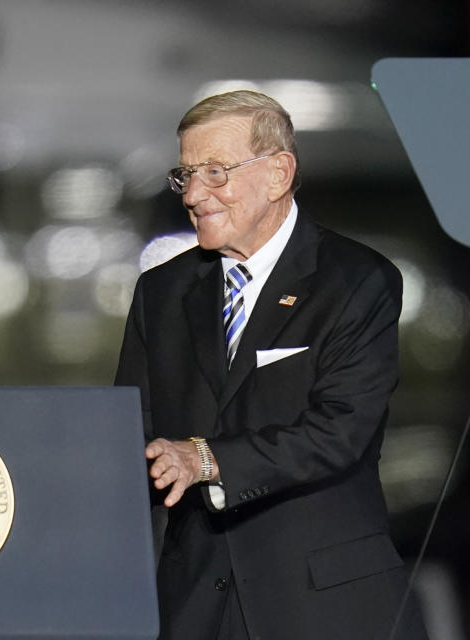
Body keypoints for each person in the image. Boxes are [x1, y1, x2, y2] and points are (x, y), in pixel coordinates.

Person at [115, 90, 427, 639]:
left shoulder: (357, 281)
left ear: (279, 172)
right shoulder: (160, 292)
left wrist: (207, 459)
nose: (194, 194)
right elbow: (129, 440)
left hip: (323, 605)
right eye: (184, 175)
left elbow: (340, 431)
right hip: (193, 608)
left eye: (216, 172)